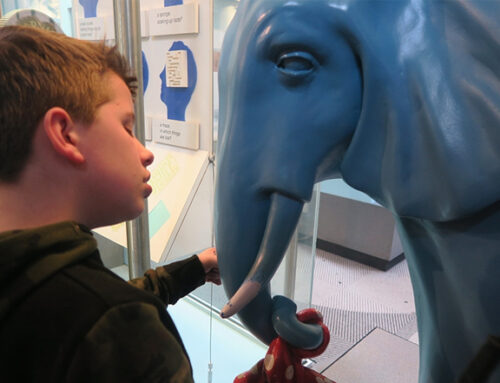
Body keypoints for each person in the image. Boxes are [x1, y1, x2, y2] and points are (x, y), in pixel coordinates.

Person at [0, 25, 220, 382]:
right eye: (128, 127)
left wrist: (195, 267)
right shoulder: (125, 331)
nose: (145, 153)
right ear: (65, 134)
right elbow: (105, 313)